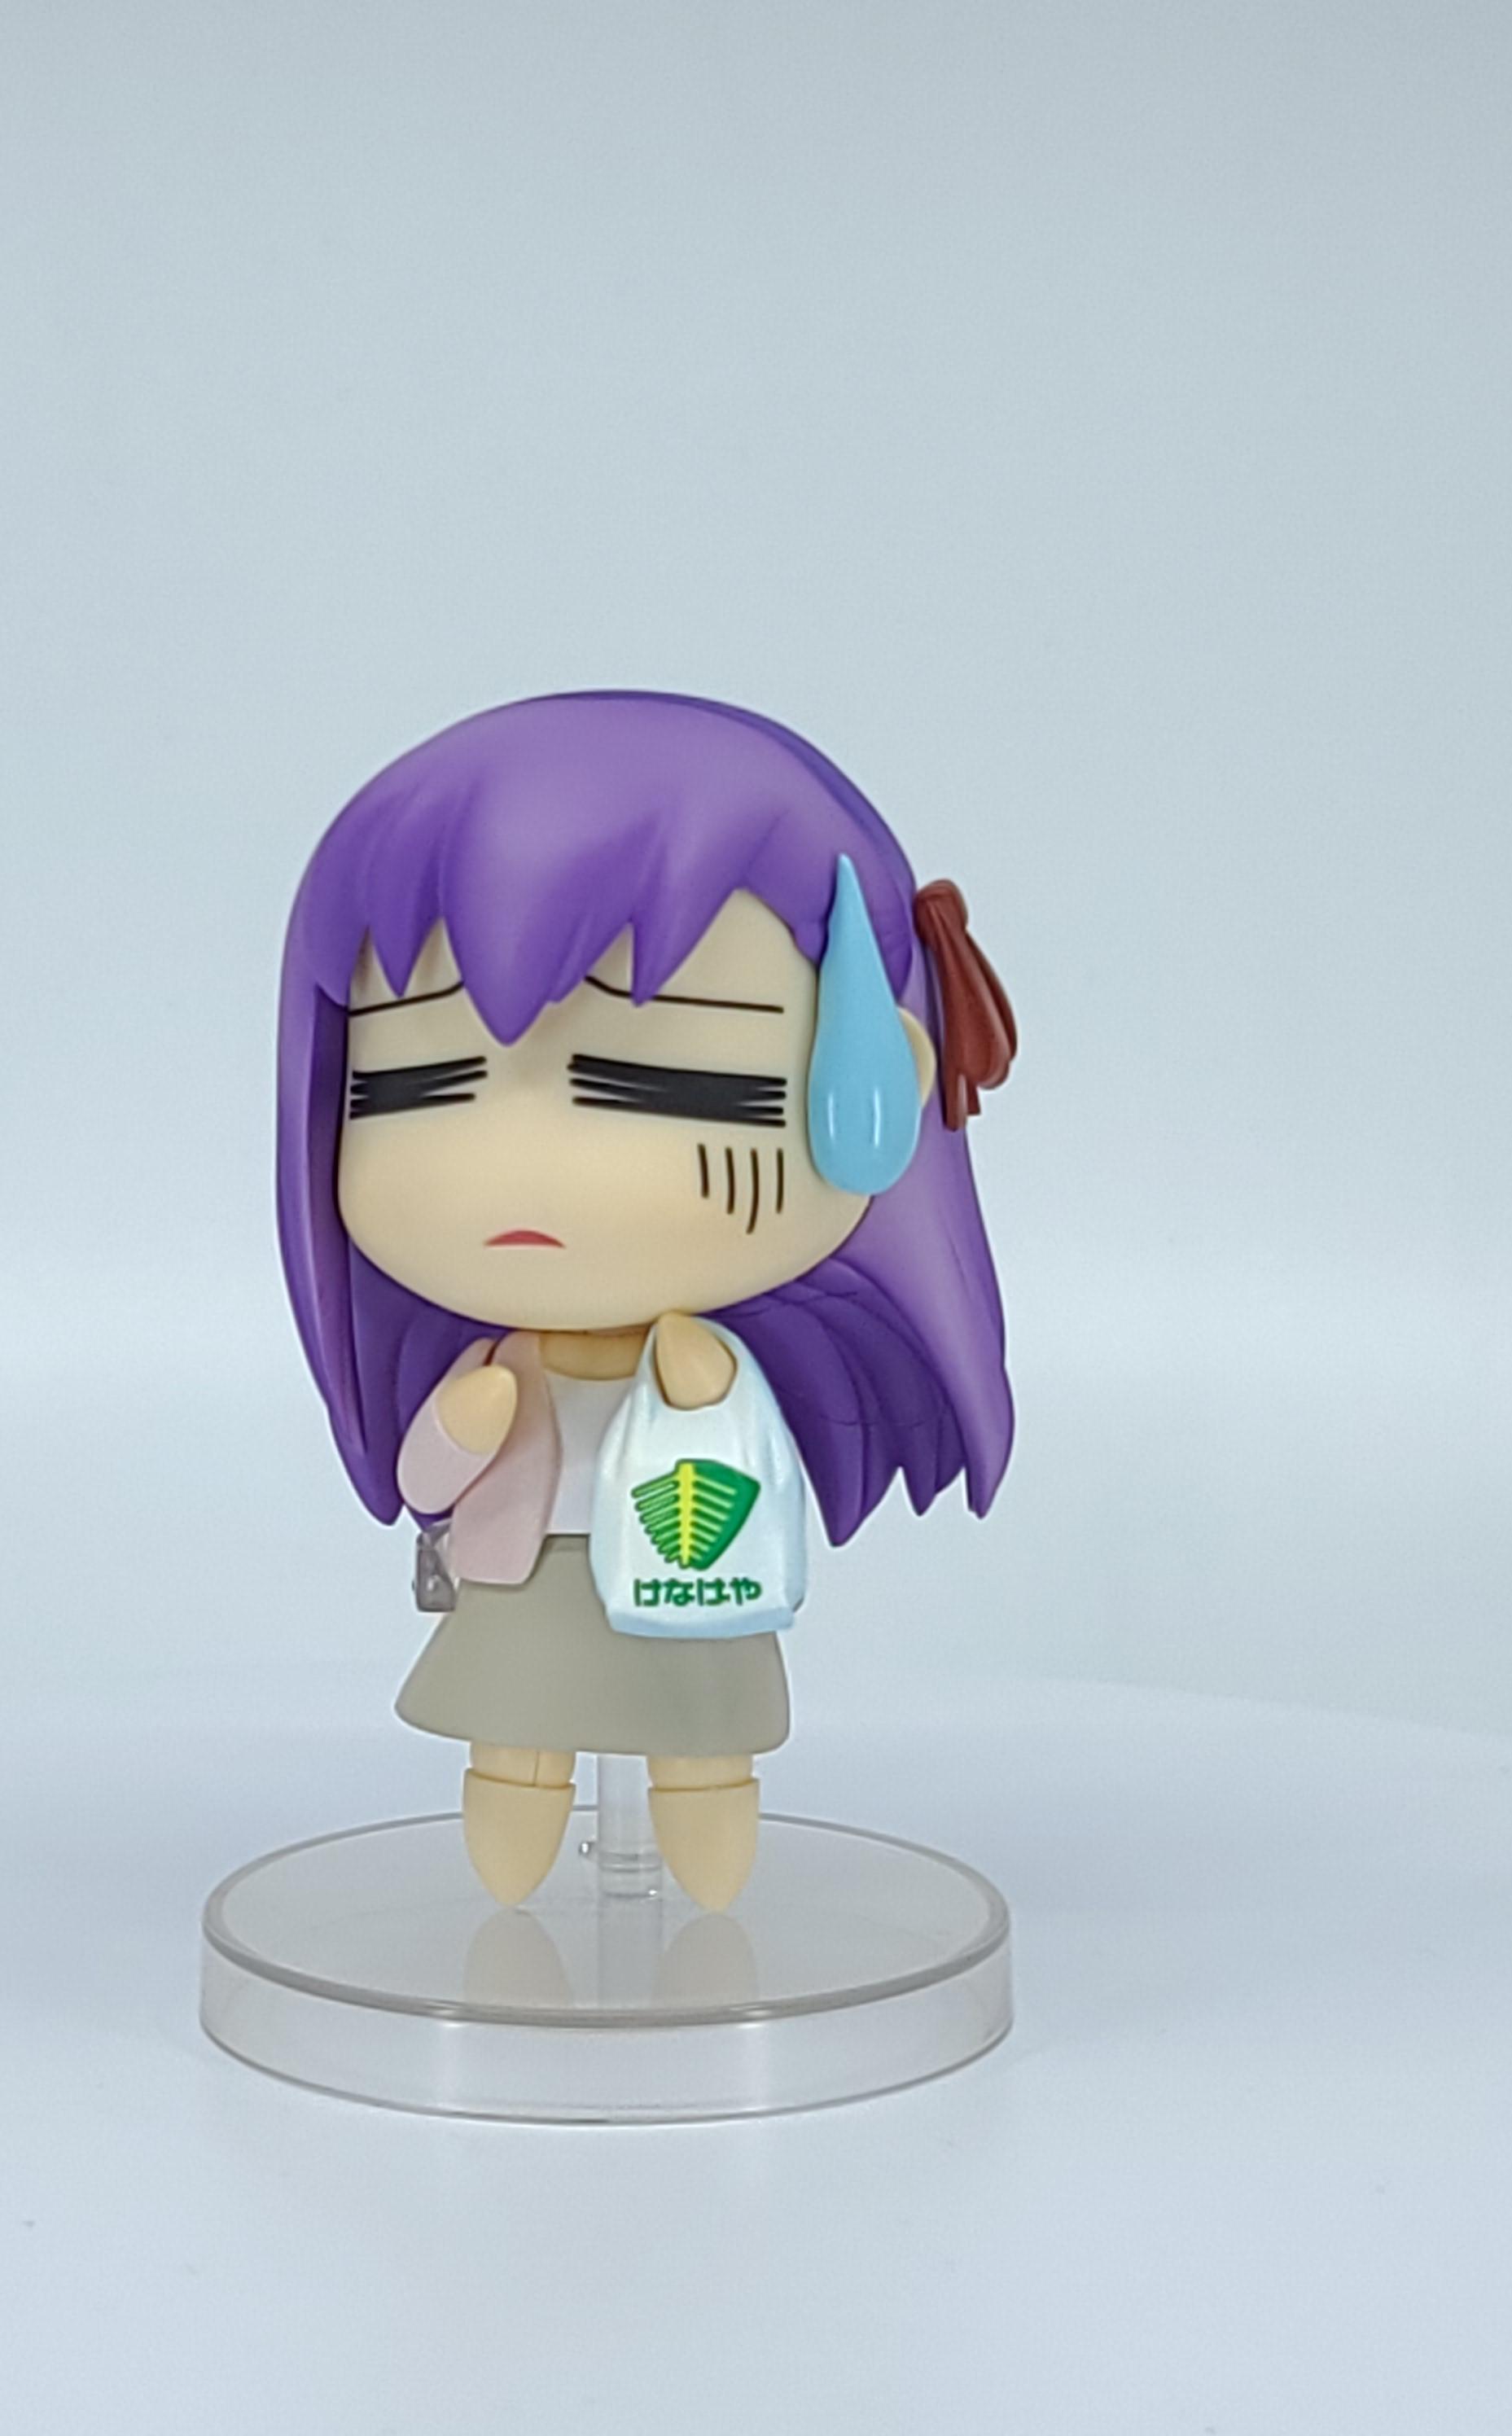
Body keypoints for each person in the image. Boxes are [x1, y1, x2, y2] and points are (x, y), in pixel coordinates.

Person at [276, 691, 1016, 1908]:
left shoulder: (713, 1361)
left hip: (691, 1586)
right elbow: (426, 1479)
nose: (515, 1163)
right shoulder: (492, 1366)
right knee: (514, 1739)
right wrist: (461, 1425)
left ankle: (709, 1880)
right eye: (421, 1085)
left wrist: (710, 1395)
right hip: (521, 1583)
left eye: (644, 1081)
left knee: (701, 1741)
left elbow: (746, 1466)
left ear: (879, 1084)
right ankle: (514, 1898)